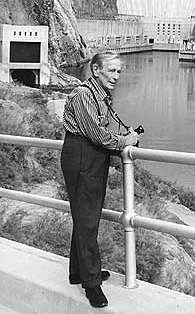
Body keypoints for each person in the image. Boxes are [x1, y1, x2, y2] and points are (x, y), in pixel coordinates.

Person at [61, 51, 140, 308]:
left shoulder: (99, 94)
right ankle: (92, 284)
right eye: (111, 71)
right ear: (96, 70)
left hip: (91, 158)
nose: (116, 76)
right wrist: (126, 141)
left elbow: (102, 130)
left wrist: (121, 136)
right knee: (87, 222)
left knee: (86, 217)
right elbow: (99, 136)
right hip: (84, 157)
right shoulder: (85, 95)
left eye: (119, 72)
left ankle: (78, 272)